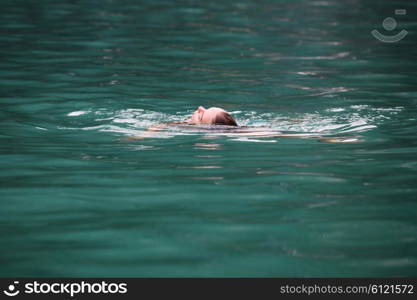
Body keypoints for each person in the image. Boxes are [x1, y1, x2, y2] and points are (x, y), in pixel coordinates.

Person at [127, 106, 357, 142]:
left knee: (275, 131)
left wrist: (139, 136)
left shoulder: (184, 127)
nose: (199, 109)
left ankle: (326, 137)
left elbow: (160, 126)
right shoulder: (237, 128)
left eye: (201, 114)